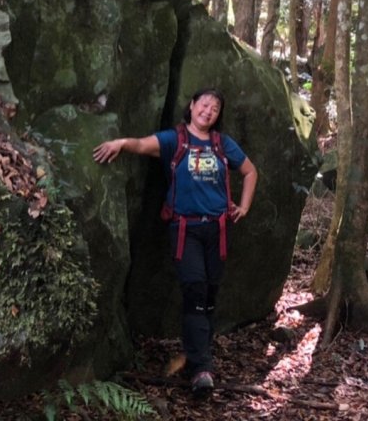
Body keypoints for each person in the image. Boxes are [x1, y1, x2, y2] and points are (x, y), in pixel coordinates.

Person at [92, 88, 257, 397]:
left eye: (215, 108)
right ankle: (201, 368)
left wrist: (244, 207)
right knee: (195, 289)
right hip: (186, 230)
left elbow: (250, 172)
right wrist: (119, 143)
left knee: (209, 294)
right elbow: (142, 145)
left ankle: (199, 355)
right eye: (204, 104)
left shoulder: (223, 145)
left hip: (217, 230)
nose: (209, 111)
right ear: (192, 106)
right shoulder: (175, 140)